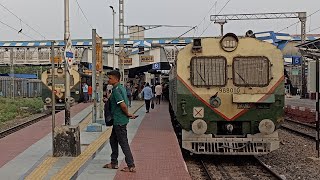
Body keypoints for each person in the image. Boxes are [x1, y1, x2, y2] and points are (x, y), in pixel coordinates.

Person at [103, 70, 137, 172]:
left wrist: (127, 114)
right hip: (118, 121)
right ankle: (114, 162)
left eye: (110, 78)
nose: (108, 80)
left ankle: (131, 165)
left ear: (116, 79)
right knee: (113, 140)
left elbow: (122, 105)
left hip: (119, 121)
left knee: (123, 143)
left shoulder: (117, 90)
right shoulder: (120, 88)